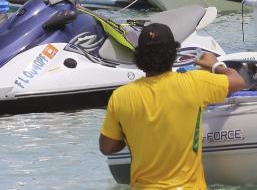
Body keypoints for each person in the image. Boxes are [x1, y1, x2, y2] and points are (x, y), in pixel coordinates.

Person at [99, 22, 246, 188]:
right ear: (173, 53)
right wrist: (215, 64)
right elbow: (239, 81)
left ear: (139, 55)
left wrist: (133, 133)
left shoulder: (121, 96)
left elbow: (107, 147)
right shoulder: (194, 83)